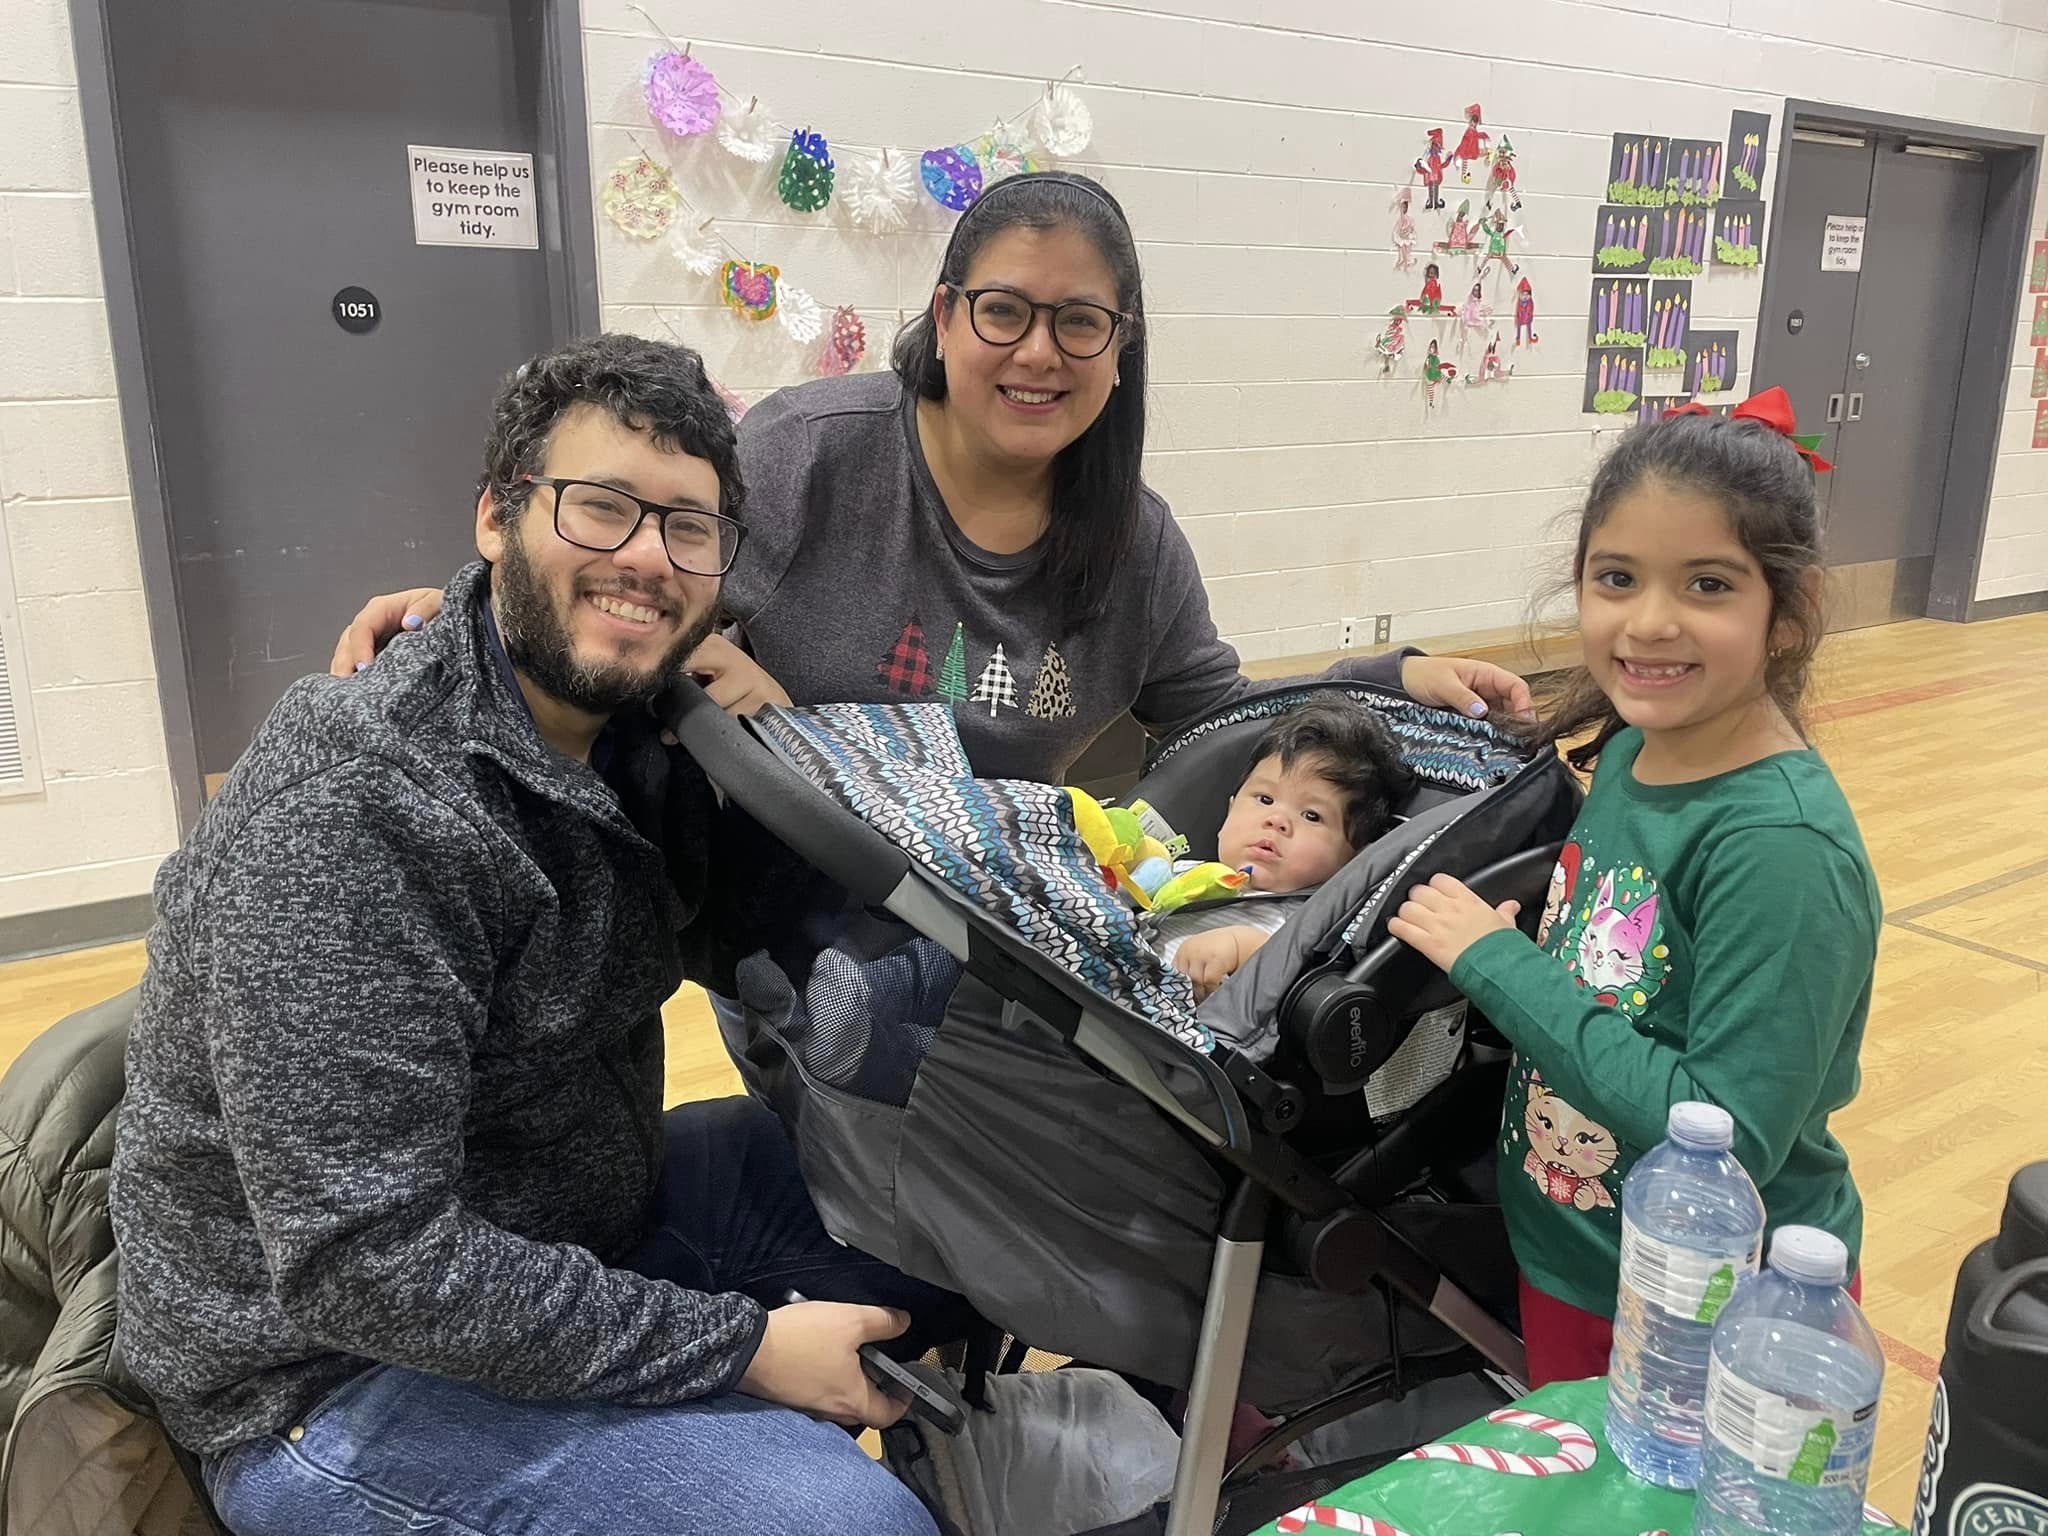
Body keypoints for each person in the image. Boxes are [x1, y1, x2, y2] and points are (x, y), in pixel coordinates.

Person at [111, 334, 952, 1535]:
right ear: (497, 519)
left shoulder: (627, 731)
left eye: (686, 530)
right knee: (853, 1529)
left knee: (953, 1226)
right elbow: (368, 1267)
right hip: (328, 1380)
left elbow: (756, 942)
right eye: (600, 509)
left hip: (565, 1227)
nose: (645, 562)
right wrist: (742, 1350)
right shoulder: (361, 807)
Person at [330, 172, 1531, 783]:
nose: (1035, 352)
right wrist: (467, 610)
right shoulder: (815, 448)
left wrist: (1387, 677)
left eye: (1079, 324)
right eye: (1003, 310)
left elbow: (1212, 721)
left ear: (1121, 351)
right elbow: (637, 573)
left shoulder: (1134, 542)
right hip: (785, 914)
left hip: (988, 918)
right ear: (947, 318)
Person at [1386, 390, 1878, 1386]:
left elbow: (1721, 1136)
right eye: (1615, 578)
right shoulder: (1631, 753)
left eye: (1706, 584)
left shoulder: (1779, 848)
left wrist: (1499, 967)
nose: (1647, 623)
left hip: (1713, 1315)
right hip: (1577, 1261)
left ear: (1792, 616)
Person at [1148, 696, 1413, 999]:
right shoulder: (1175, 871)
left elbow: (1300, 979)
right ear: (1229, 811)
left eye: (1312, 815)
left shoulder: (1306, 924)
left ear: (1353, 859)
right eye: (1264, 799)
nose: (1276, 820)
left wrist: (1241, 949)